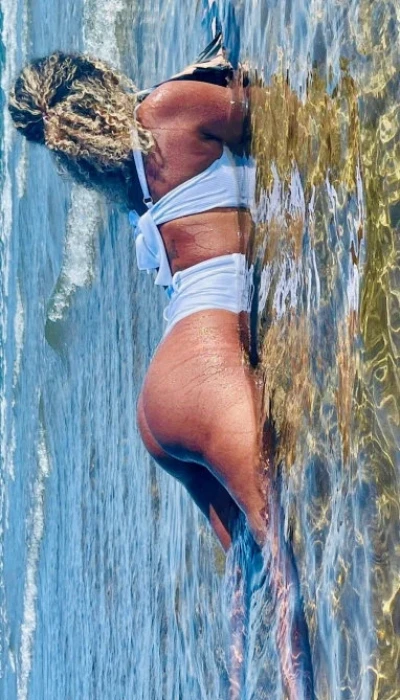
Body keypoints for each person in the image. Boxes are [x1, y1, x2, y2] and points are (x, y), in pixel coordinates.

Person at [8, 41, 270, 553]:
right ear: (97, 76)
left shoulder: (130, 186)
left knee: (259, 580)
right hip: (202, 366)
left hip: (165, 407)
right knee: (288, 548)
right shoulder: (165, 109)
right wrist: (204, 79)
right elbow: (271, 109)